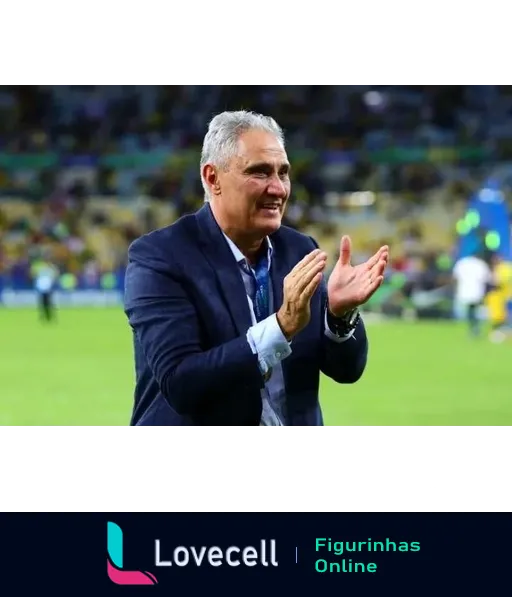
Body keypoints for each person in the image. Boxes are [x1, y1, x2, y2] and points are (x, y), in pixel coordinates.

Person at [124, 111, 388, 430]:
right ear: (212, 178)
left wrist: (339, 316)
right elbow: (182, 384)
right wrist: (282, 327)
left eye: (283, 173)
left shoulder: (299, 250)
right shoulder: (161, 256)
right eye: (260, 173)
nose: (278, 189)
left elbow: (347, 371)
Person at [452, 251, 492, 337]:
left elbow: (455, 277)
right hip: (477, 291)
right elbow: (487, 279)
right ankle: (475, 328)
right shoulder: (481, 264)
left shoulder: (462, 262)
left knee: (471, 311)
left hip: (465, 291)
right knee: (475, 310)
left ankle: (474, 328)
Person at [31, 258, 59, 322]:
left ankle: (49, 316)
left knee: (48, 303)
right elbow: (34, 275)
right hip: (42, 289)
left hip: (47, 289)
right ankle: (44, 316)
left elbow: (54, 276)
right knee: (43, 303)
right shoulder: (41, 270)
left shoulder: (50, 269)